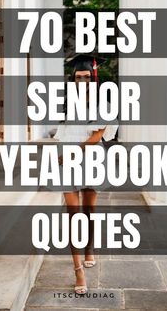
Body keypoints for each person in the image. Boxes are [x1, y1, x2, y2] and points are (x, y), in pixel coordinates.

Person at [54, 54, 118, 295]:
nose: (82, 81)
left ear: (93, 79)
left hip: (90, 159)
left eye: (86, 77)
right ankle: (78, 269)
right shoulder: (67, 103)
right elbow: (61, 134)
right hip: (67, 162)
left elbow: (95, 137)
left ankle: (89, 247)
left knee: (89, 212)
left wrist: (73, 153)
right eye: (78, 77)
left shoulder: (104, 105)